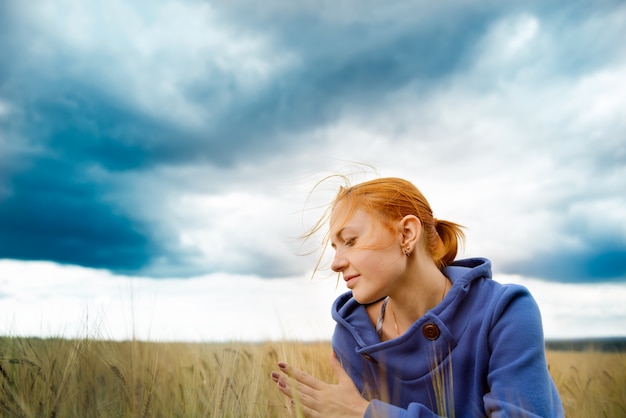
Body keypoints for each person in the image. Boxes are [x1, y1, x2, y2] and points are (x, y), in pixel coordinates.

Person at [270, 177, 564, 417]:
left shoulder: (505, 312)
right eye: (335, 247)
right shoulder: (353, 338)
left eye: (350, 241)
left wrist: (369, 414)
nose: (335, 263)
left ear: (407, 234)